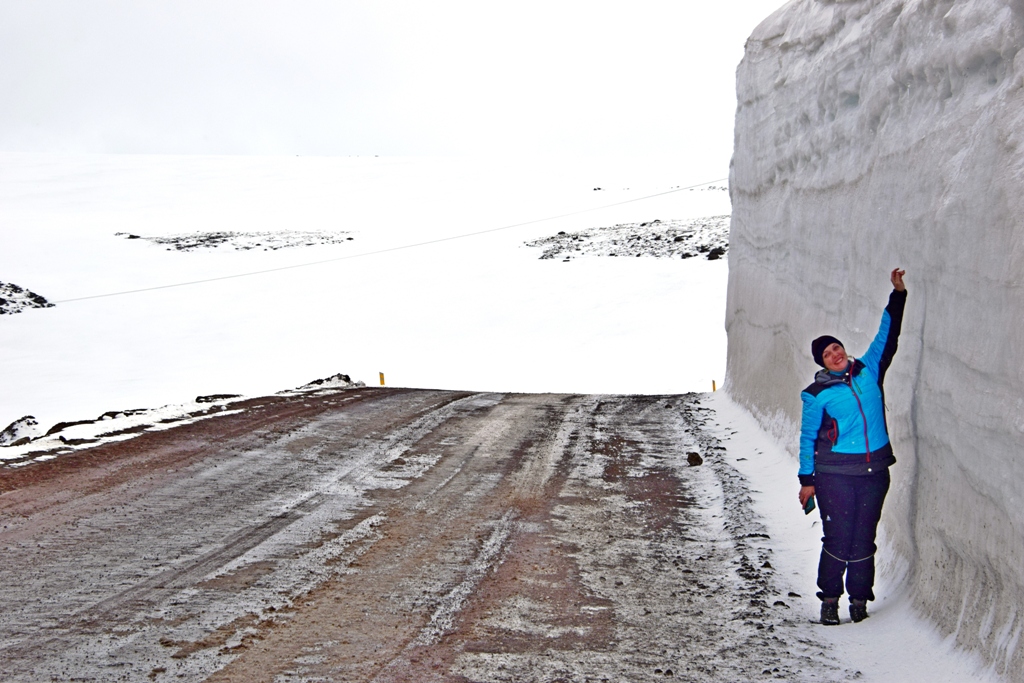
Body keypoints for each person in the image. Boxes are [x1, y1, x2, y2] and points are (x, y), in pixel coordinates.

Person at [798, 268, 907, 625]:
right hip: (835, 475)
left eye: (836, 347)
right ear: (821, 362)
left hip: (875, 471)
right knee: (839, 537)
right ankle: (830, 599)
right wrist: (806, 479)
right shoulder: (817, 395)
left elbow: (886, 337)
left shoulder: (868, 370)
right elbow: (807, 437)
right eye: (827, 353)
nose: (835, 353)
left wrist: (897, 294)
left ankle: (859, 599)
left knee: (864, 538)